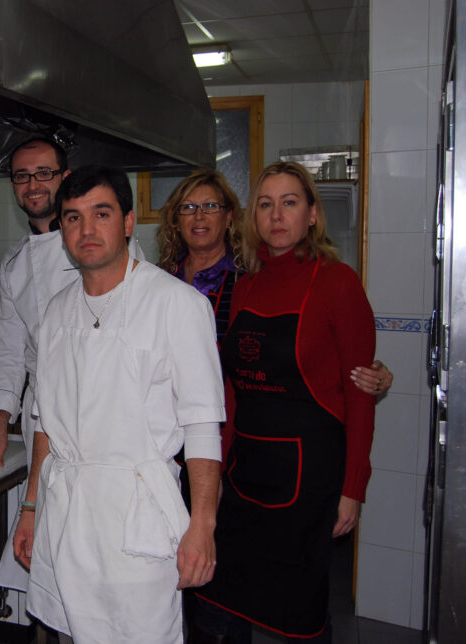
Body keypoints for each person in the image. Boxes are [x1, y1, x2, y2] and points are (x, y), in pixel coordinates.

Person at [12, 166, 225, 643]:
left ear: (128, 222)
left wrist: (203, 525)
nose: (86, 230)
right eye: (72, 218)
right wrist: (30, 508)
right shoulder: (55, 314)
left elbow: (203, 425)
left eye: (101, 214)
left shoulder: (177, 304)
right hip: (66, 515)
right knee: (71, 633)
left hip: (137, 516)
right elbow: (45, 424)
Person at [194, 162, 377, 643]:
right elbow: (233, 389)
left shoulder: (338, 282)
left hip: (308, 479)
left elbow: (360, 395)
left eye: (290, 203)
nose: (277, 216)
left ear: (312, 215)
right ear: (253, 216)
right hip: (244, 470)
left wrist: (353, 488)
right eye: (266, 204)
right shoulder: (247, 283)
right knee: (217, 595)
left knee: (299, 615)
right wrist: (218, 463)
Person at [0, 138, 145, 592]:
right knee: (46, 555)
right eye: (22, 176)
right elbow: (10, 350)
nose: (33, 185)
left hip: (103, 419)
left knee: (98, 559)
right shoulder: (15, 263)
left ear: (64, 177)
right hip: (42, 420)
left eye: (44, 173)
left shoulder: (105, 248)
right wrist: (0, 421)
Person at [156, 167, 393, 393]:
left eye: (210, 206)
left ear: (229, 217)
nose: (199, 216)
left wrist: (373, 375)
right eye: (187, 207)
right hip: (165, 416)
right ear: (176, 220)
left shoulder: (250, 279)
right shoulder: (159, 281)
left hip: (227, 418)